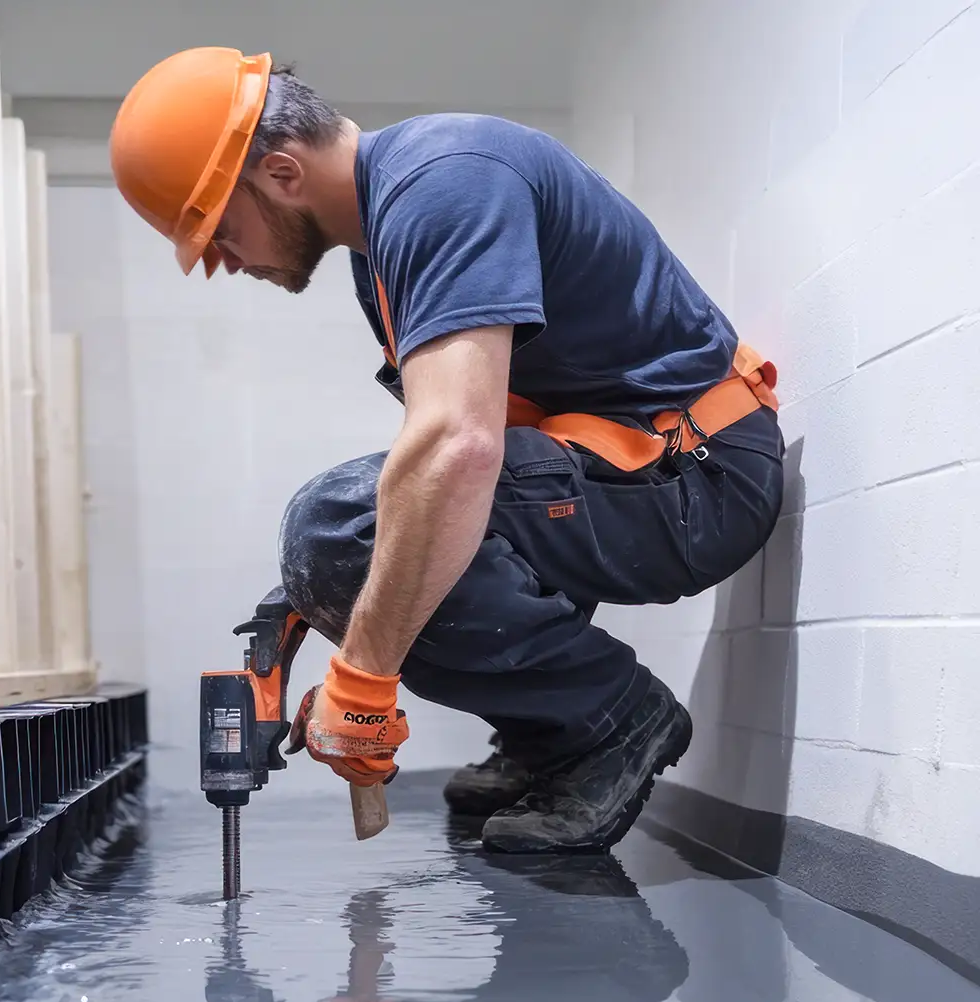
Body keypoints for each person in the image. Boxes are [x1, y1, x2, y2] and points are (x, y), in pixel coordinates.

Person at [110, 47, 784, 853]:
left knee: (341, 524)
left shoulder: (444, 184)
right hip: (632, 469)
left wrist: (360, 678)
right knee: (352, 537)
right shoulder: (391, 232)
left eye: (217, 230)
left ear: (282, 172)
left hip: (693, 477)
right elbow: (468, 454)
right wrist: (315, 589)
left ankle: (609, 718)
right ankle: (547, 731)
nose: (222, 262)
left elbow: (458, 450)